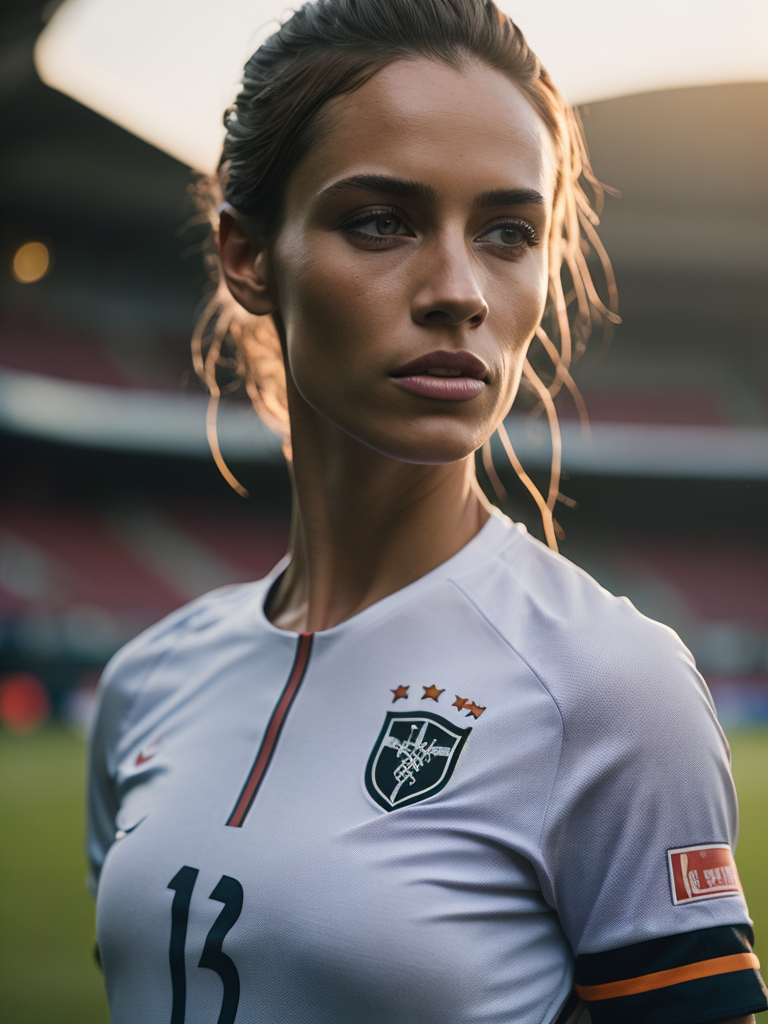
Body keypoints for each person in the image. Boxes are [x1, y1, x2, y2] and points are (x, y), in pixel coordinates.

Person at [86, 2, 768, 1023]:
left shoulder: (612, 688)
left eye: (507, 232)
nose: (460, 291)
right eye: (381, 221)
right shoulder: (145, 684)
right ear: (247, 255)